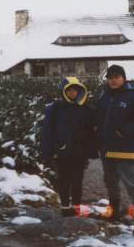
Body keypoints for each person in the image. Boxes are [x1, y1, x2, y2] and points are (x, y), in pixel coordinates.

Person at [95, 64, 134, 236]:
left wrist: (123, 132)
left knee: (132, 185)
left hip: (125, 149)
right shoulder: (103, 97)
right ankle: (113, 213)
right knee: (110, 182)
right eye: (110, 77)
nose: (113, 80)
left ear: (123, 78)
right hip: (107, 150)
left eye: (116, 77)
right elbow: (98, 120)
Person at [41, 77, 95, 217]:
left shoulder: (86, 108)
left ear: (79, 91)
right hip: (62, 151)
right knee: (64, 180)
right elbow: (48, 130)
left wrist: (92, 148)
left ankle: (76, 208)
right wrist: (47, 152)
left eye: (75, 90)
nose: (72, 93)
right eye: (69, 90)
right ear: (64, 91)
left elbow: (93, 129)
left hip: (79, 151)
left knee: (77, 181)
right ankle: (65, 208)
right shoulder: (56, 107)